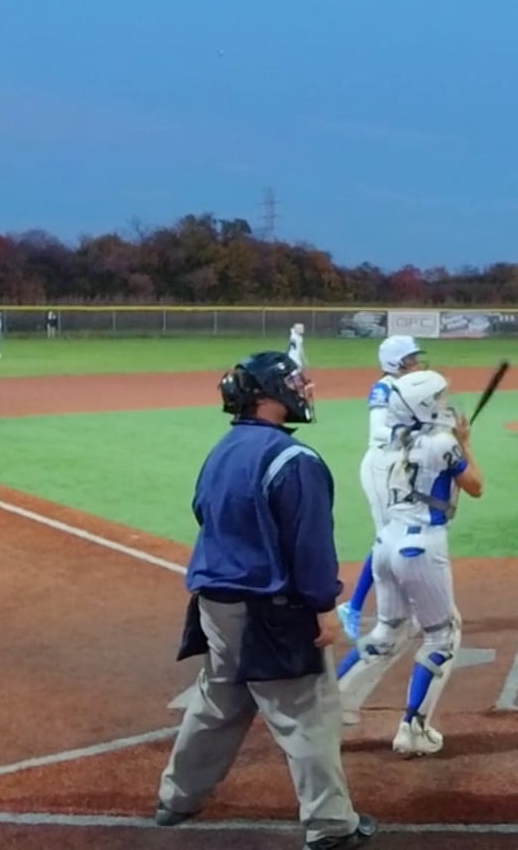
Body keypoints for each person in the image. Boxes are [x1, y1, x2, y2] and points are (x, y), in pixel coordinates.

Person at [153, 351, 377, 847]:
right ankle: (330, 825)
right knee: (306, 714)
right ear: (267, 396)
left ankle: (176, 798)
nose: (303, 390)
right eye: (292, 383)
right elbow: (309, 544)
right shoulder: (294, 460)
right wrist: (323, 606)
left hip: (214, 604)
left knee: (218, 702)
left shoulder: (223, 449)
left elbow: (201, 511)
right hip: (269, 611)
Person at [334, 370, 485, 756]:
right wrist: (466, 444)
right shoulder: (442, 444)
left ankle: (330, 706)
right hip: (421, 547)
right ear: (422, 406)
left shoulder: (391, 441)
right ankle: (413, 729)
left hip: (386, 544)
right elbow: (475, 486)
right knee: (443, 634)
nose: (444, 402)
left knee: (389, 630)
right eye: (437, 398)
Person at [337, 335, 427, 643]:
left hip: (400, 467)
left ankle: (398, 607)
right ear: (395, 362)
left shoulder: (413, 389)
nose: (416, 363)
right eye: (410, 359)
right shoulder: (384, 388)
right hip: (380, 466)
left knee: (399, 536)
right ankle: (354, 607)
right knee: (387, 537)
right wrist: (415, 434)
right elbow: (377, 431)